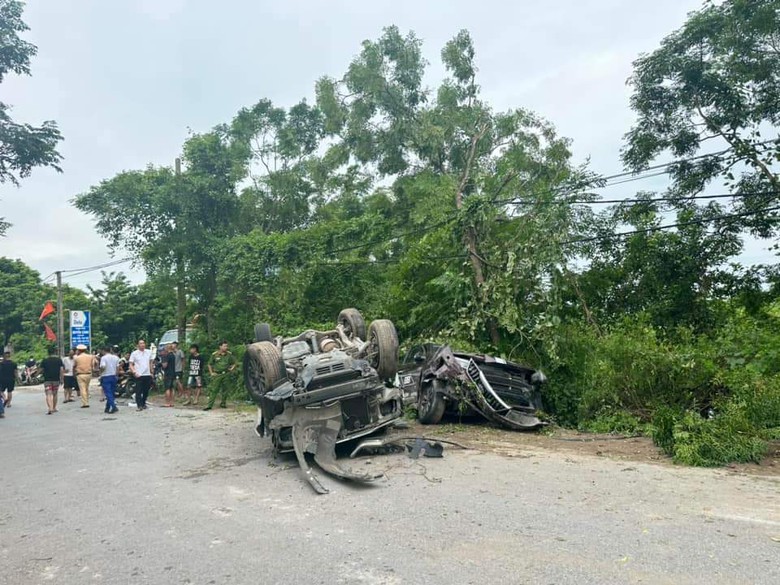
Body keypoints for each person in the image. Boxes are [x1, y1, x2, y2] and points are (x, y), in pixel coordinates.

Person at [204, 340, 237, 411]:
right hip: (217, 374)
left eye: (226, 346)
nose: (226, 347)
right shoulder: (215, 354)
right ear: (220, 346)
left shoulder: (229, 354)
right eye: (224, 346)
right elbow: (209, 364)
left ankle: (223, 403)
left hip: (226, 374)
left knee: (225, 389)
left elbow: (234, 363)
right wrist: (211, 373)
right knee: (214, 390)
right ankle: (209, 405)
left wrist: (232, 368)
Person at [129, 339, 153, 411]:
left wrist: (152, 372)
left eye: (143, 343)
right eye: (140, 343)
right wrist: (134, 372)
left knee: (146, 390)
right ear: (138, 345)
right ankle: (139, 405)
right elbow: (131, 364)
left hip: (147, 374)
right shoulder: (134, 353)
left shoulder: (149, 352)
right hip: (139, 374)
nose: (142, 345)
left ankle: (143, 403)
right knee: (138, 390)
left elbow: (151, 362)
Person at [40, 347, 64, 415]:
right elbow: (61, 370)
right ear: (55, 352)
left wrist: (36, 375)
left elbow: (41, 369)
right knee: (55, 394)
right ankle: (54, 408)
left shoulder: (44, 360)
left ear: (48, 353)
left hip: (47, 380)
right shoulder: (59, 360)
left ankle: (50, 408)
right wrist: (62, 379)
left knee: (48, 394)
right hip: (56, 380)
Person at [99, 346, 120, 414]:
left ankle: (113, 407)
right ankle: (107, 408)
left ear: (103, 351)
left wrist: (100, 372)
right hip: (113, 376)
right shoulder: (116, 357)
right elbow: (117, 368)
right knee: (111, 393)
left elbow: (103, 366)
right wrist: (116, 375)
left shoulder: (103, 358)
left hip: (106, 376)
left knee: (108, 393)